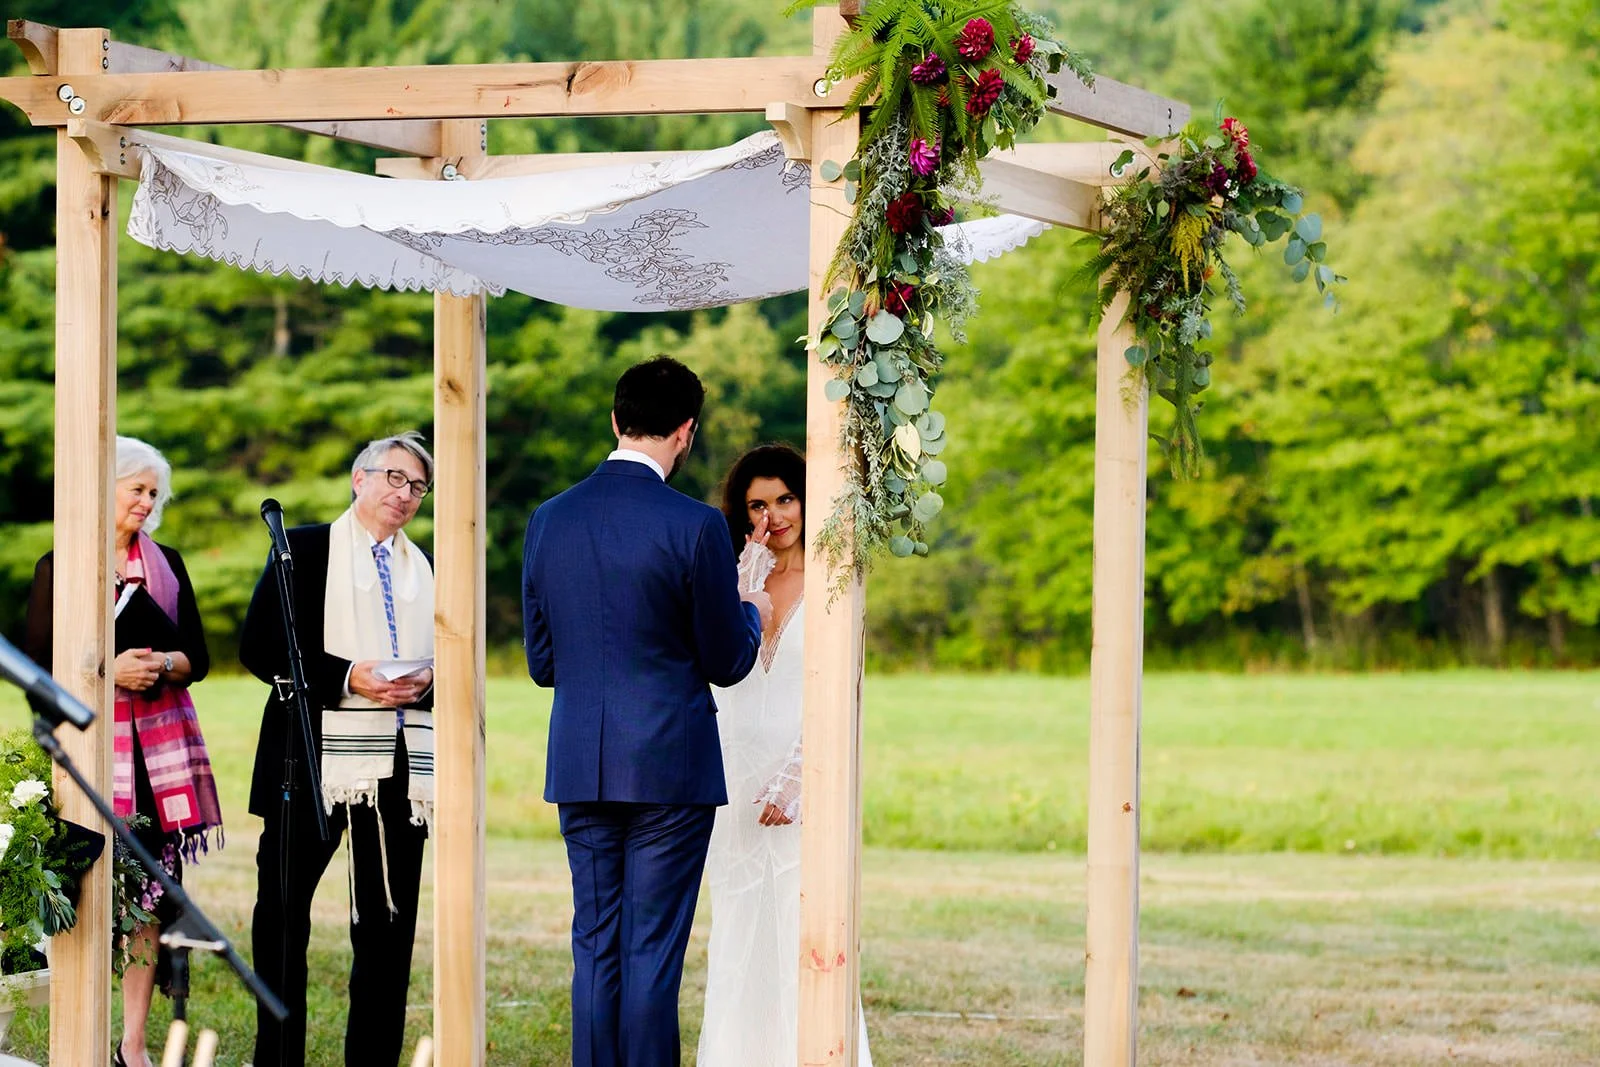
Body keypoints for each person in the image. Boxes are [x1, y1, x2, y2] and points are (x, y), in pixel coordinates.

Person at [522, 356, 769, 1067]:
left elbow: (543, 664)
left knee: (596, 944)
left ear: (614, 421)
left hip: (580, 760)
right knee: (652, 950)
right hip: (669, 768)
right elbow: (727, 660)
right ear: (686, 432)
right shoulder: (695, 525)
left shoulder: (548, 519)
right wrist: (748, 609)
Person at [23, 435, 223, 1067]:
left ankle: (132, 1043)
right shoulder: (62, 567)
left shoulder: (169, 564)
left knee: (148, 899)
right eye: (137, 489)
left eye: (153, 493)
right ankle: (74, 1031)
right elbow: (36, 668)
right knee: (81, 896)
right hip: (87, 753)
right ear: (104, 488)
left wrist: (161, 662)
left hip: (156, 759)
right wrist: (108, 670)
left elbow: (200, 657)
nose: (146, 502)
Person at [239, 431, 437, 1067]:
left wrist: (428, 677)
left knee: (386, 926)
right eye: (393, 478)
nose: (404, 495)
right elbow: (260, 648)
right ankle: (278, 1056)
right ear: (360, 479)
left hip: (399, 763)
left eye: (417, 486)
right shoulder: (302, 549)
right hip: (311, 754)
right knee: (282, 919)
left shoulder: (426, 567)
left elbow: (450, 652)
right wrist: (349, 676)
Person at [696, 444, 873, 1066]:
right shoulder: (730, 579)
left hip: (805, 776)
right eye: (757, 504)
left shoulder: (837, 576)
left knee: (808, 929)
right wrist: (743, 575)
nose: (774, 515)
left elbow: (842, 688)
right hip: (733, 774)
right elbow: (717, 668)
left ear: (806, 497)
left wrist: (801, 777)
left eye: (785, 499)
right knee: (741, 927)